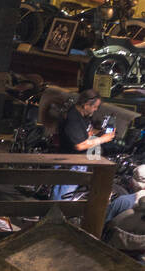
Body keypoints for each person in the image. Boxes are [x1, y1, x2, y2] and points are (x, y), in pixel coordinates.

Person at [52, 89, 145, 227]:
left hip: (79, 162)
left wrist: (98, 133)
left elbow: (85, 134)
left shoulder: (82, 116)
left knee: (68, 194)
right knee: (62, 196)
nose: (95, 110)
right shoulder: (73, 118)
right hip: (71, 163)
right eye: (94, 107)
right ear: (86, 104)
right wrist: (102, 139)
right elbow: (79, 145)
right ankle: (54, 222)